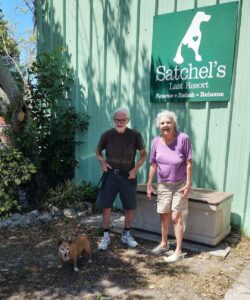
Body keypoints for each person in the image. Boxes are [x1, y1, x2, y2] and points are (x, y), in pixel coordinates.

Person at [96, 107, 147, 250]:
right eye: (117, 120)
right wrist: (102, 162)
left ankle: (126, 234)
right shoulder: (107, 135)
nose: (120, 122)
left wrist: (135, 169)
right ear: (114, 120)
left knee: (130, 207)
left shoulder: (135, 135)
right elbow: (98, 151)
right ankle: (106, 236)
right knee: (106, 206)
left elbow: (143, 154)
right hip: (111, 175)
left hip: (128, 176)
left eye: (123, 120)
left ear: (128, 120)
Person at [147, 110, 192, 263]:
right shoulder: (155, 142)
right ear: (159, 126)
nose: (165, 125)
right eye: (162, 123)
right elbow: (153, 164)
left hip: (179, 184)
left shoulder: (183, 139)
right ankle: (164, 243)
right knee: (164, 215)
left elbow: (188, 163)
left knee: (175, 217)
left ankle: (178, 251)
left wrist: (188, 184)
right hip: (163, 185)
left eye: (168, 122)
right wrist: (149, 183)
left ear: (173, 124)